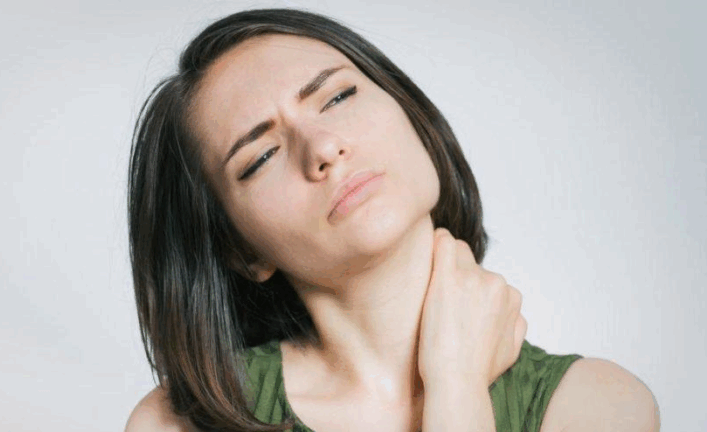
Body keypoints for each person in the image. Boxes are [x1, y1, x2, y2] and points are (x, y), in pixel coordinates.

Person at [124, 8, 659, 432]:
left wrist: (455, 380)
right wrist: (455, 386)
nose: (323, 147)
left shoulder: (598, 406)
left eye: (338, 96)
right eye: (261, 156)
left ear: (409, 111)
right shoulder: (176, 425)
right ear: (241, 250)